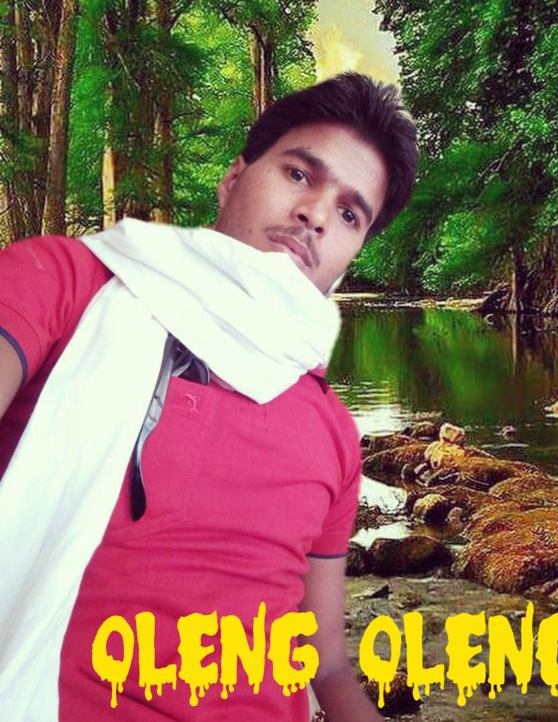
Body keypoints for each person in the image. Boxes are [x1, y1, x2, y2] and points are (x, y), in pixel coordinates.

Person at [0, 72, 418, 720]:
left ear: (353, 251)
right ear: (233, 179)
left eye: (348, 214)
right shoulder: (64, 284)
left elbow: (328, 666)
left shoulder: (332, 429)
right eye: (299, 174)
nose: (315, 214)